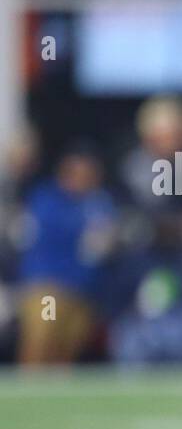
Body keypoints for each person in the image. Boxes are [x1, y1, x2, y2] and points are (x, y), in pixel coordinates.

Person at [17, 144, 115, 365]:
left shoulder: (98, 202)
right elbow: (52, 230)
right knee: (43, 340)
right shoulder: (46, 198)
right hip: (48, 290)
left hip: (82, 291)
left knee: (66, 351)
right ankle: (28, 392)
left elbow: (104, 243)